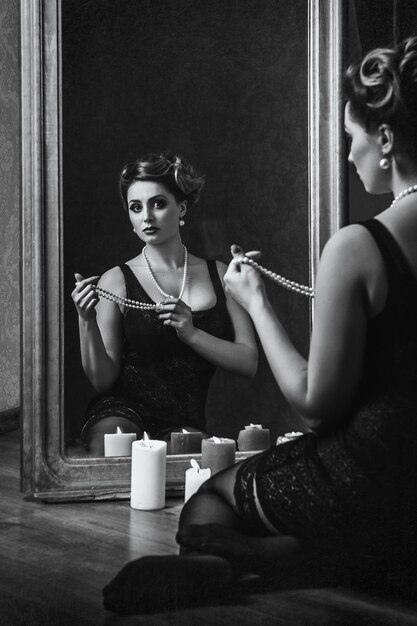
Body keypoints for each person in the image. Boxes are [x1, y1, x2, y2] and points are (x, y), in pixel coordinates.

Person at [102, 37, 417, 615]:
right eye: (135, 206)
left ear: (388, 139)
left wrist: (257, 301)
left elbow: (315, 407)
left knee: (206, 509)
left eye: (353, 138)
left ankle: (300, 562)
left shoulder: (358, 246)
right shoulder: (117, 281)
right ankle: (358, 552)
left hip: (381, 472)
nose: (350, 156)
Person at [72, 153, 258, 455]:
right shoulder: (116, 280)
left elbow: (248, 362)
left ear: (181, 207)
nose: (146, 216)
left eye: (158, 203)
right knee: (117, 453)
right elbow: (102, 381)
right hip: (120, 416)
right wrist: (85, 320)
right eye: (136, 207)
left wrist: (193, 334)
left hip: (184, 424)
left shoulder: (221, 274)